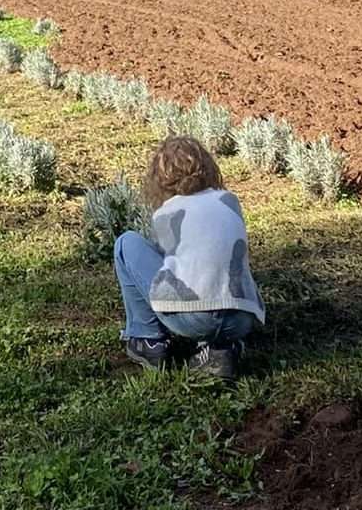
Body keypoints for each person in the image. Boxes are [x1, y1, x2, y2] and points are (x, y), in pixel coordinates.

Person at [113, 134, 265, 380]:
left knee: (126, 244)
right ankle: (220, 349)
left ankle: (147, 340)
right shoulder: (229, 201)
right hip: (241, 318)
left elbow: (168, 264)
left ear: (158, 180)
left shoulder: (168, 212)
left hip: (194, 318)